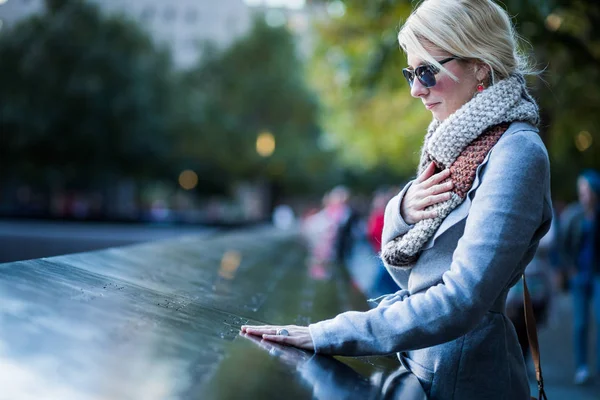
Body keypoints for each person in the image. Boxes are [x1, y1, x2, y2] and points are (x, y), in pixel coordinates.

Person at [242, 1, 552, 398]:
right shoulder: (456, 142)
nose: (414, 89)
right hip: (421, 368)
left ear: (479, 65)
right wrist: (401, 209)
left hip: (465, 380)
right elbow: (407, 271)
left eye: (427, 71)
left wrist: (329, 333)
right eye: (411, 72)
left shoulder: (516, 152)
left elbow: (462, 298)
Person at [560, 169, 600, 385]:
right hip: (579, 275)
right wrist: (569, 269)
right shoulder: (573, 215)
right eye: (581, 189)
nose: (583, 193)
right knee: (581, 323)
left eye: (586, 189)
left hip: (597, 274)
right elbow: (563, 245)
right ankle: (582, 367)